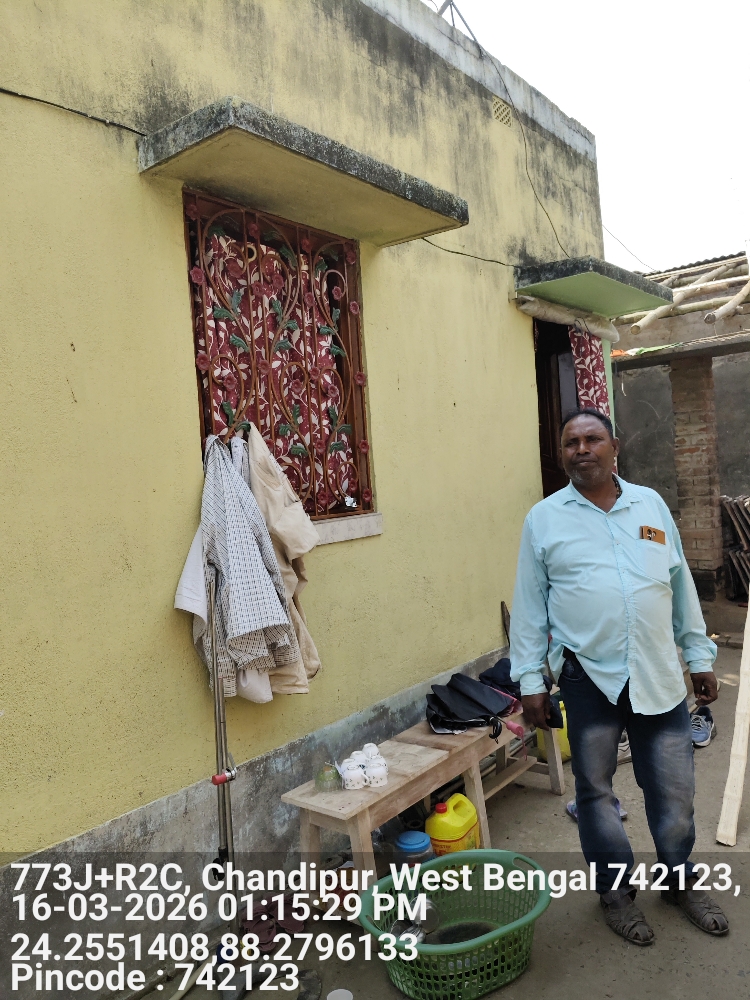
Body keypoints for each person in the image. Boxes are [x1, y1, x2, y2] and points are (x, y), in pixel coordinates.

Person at [509, 408, 728, 944]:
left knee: (674, 791)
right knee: (595, 793)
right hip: (587, 679)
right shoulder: (544, 519)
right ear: (562, 453)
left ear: (615, 447)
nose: (582, 449)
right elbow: (530, 608)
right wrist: (531, 683)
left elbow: (678, 585)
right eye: (571, 442)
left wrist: (698, 655)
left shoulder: (650, 505)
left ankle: (678, 882)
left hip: (657, 673)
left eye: (592, 439)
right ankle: (616, 893)